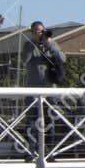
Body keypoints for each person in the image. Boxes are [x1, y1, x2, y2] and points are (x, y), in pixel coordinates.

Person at [21, 22, 68, 152]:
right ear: (32, 32)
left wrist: (49, 44)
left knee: (50, 121)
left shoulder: (51, 44)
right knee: (31, 121)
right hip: (33, 88)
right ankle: (30, 151)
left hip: (49, 88)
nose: (39, 33)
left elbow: (62, 59)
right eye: (36, 31)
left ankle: (49, 152)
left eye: (42, 31)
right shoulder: (28, 45)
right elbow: (24, 59)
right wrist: (34, 44)